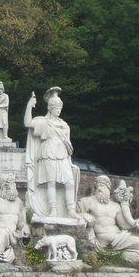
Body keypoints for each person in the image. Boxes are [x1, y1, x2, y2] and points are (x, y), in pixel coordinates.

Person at [23, 87, 80, 219]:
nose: (58, 110)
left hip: (62, 154)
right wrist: (29, 106)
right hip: (48, 152)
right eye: (56, 108)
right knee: (51, 182)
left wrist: (70, 163)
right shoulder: (44, 122)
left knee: (69, 182)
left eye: (60, 108)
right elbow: (27, 123)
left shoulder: (65, 125)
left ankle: (71, 210)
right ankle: (52, 210)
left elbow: (68, 145)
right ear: (50, 108)